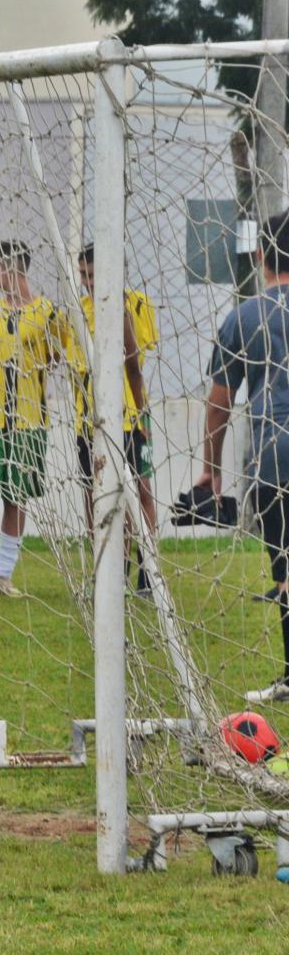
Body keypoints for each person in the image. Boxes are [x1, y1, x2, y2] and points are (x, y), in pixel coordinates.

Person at [196, 212, 289, 699]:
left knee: (287, 568)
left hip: (276, 457)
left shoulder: (244, 315)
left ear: (260, 256)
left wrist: (211, 470)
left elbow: (219, 402)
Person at [0, 241, 73, 597]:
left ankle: (3, 575)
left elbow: (54, 359)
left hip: (29, 420)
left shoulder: (50, 314)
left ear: (11, 269)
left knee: (17, 497)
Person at [69, 243, 156, 593]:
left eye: (93, 275)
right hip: (88, 422)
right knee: (94, 496)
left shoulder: (137, 304)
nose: (88, 283)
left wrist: (144, 414)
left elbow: (136, 362)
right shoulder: (77, 311)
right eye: (83, 276)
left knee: (142, 491)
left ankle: (147, 569)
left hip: (131, 420)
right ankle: (107, 568)